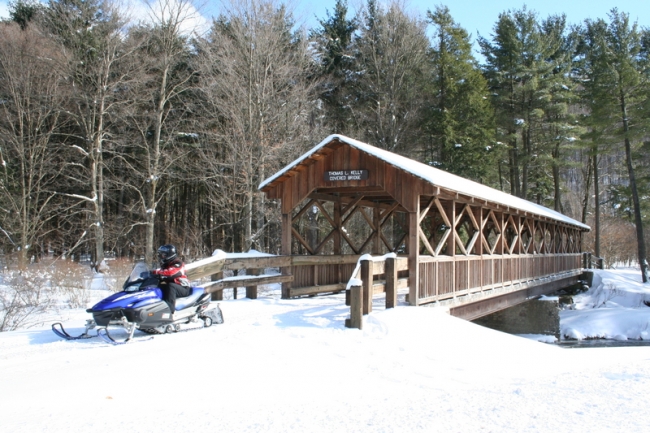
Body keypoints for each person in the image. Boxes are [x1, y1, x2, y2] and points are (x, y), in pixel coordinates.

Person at [151, 244, 191, 315]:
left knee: (171, 286)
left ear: (169, 255)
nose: (161, 257)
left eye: (163, 255)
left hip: (183, 288)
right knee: (157, 286)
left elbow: (170, 273)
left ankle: (169, 310)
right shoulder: (167, 264)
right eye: (161, 255)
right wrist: (149, 273)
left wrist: (156, 272)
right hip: (174, 287)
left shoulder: (178, 263)